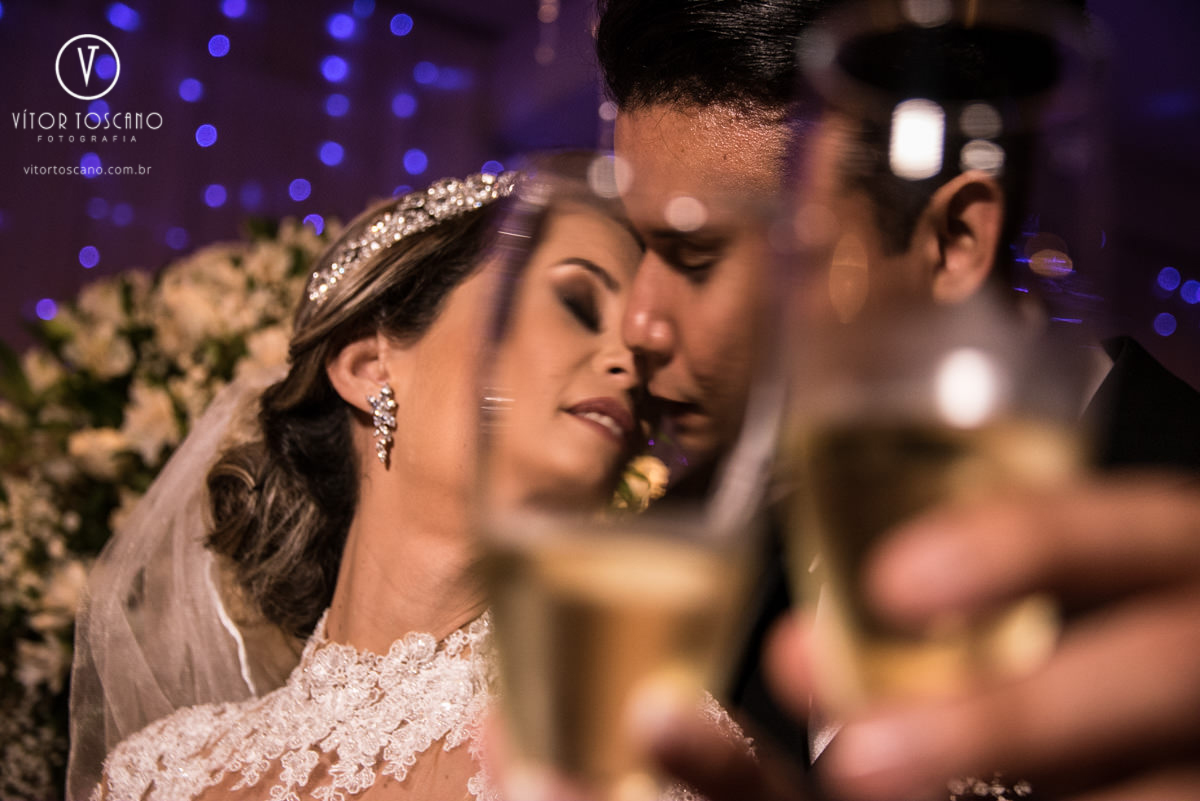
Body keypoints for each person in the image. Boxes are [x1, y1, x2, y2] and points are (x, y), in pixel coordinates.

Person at [593, 1, 1200, 800]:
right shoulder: (731, 564)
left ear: (952, 243)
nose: (637, 321)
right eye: (642, 246)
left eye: (697, 255)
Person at [71, 162, 674, 801]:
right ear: (368, 368)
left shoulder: (634, 756)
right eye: (577, 303)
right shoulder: (160, 773)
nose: (628, 364)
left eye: (644, 345)